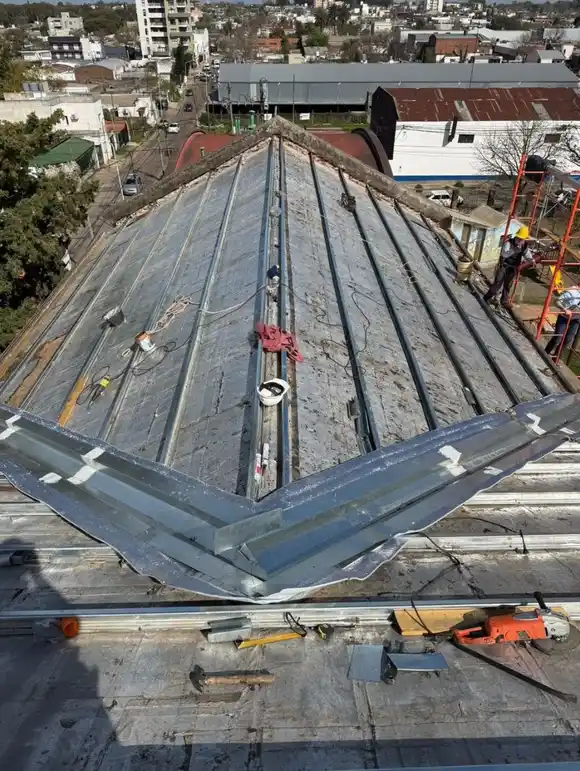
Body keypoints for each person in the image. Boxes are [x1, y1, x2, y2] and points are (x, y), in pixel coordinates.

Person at [484, 226, 537, 308]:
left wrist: (532, 260)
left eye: (522, 239)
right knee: (497, 284)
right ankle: (487, 298)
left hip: (512, 269)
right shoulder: (508, 243)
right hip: (504, 266)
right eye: (519, 239)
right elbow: (504, 254)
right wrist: (514, 250)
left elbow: (527, 255)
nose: (520, 241)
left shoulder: (524, 246)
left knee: (507, 286)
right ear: (517, 237)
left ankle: (504, 302)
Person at [545, 286, 580, 358]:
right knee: (557, 338)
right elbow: (557, 301)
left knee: (568, 340)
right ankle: (545, 352)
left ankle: (556, 357)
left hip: (576, 319)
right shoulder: (571, 292)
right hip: (564, 317)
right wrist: (564, 309)